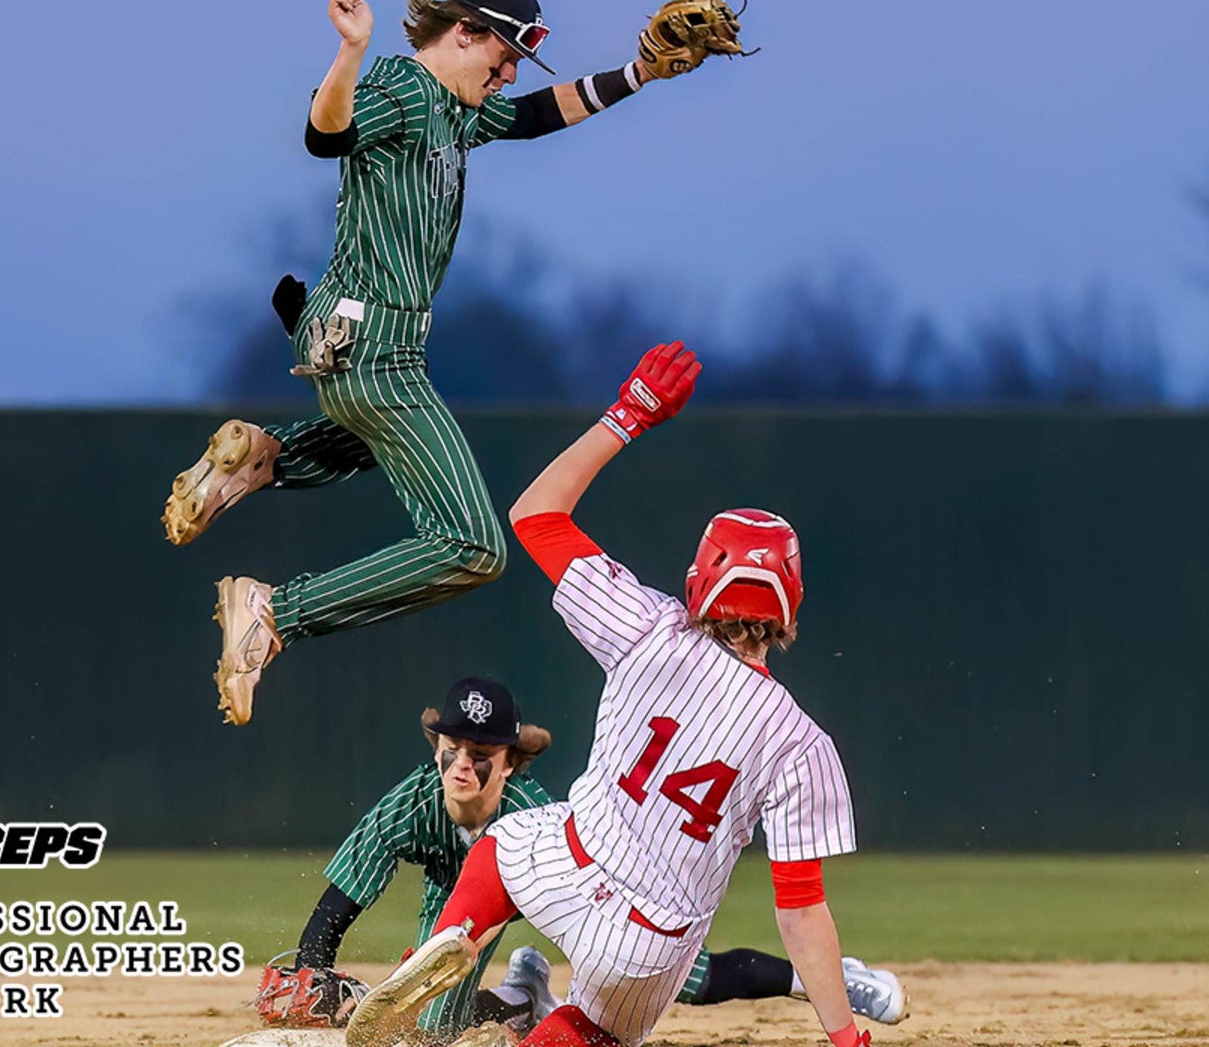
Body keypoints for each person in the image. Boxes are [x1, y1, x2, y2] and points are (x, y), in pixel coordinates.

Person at [160, 0, 722, 726]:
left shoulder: (456, 110)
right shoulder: (403, 84)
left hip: (349, 341)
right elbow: (325, 134)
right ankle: (275, 611)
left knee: (375, 441)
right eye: (505, 52)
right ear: (463, 30)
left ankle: (263, 458)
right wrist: (352, 50)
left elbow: (531, 118)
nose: (511, 71)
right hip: (375, 346)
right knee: (471, 546)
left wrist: (641, 72)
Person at [348, 343, 879, 1047]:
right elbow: (800, 911)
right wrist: (846, 1037)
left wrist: (630, 414)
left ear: (701, 581)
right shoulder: (800, 742)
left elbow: (536, 515)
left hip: (565, 861)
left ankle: (450, 942)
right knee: (594, 1026)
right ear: (790, 603)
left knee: (500, 847)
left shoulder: (647, 627)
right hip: (650, 940)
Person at [257, 678, 905, 1044]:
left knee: (692, 977)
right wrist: (313, 964)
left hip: (589, 893)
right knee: (437, 1017)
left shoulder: (528, 811)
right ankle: (519, 1000)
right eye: (452, 745)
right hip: (459, 911)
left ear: (511, 760)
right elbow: (354, 873)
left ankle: (821, 979)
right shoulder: (418, 798)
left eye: (482, 751)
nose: (462, 762)